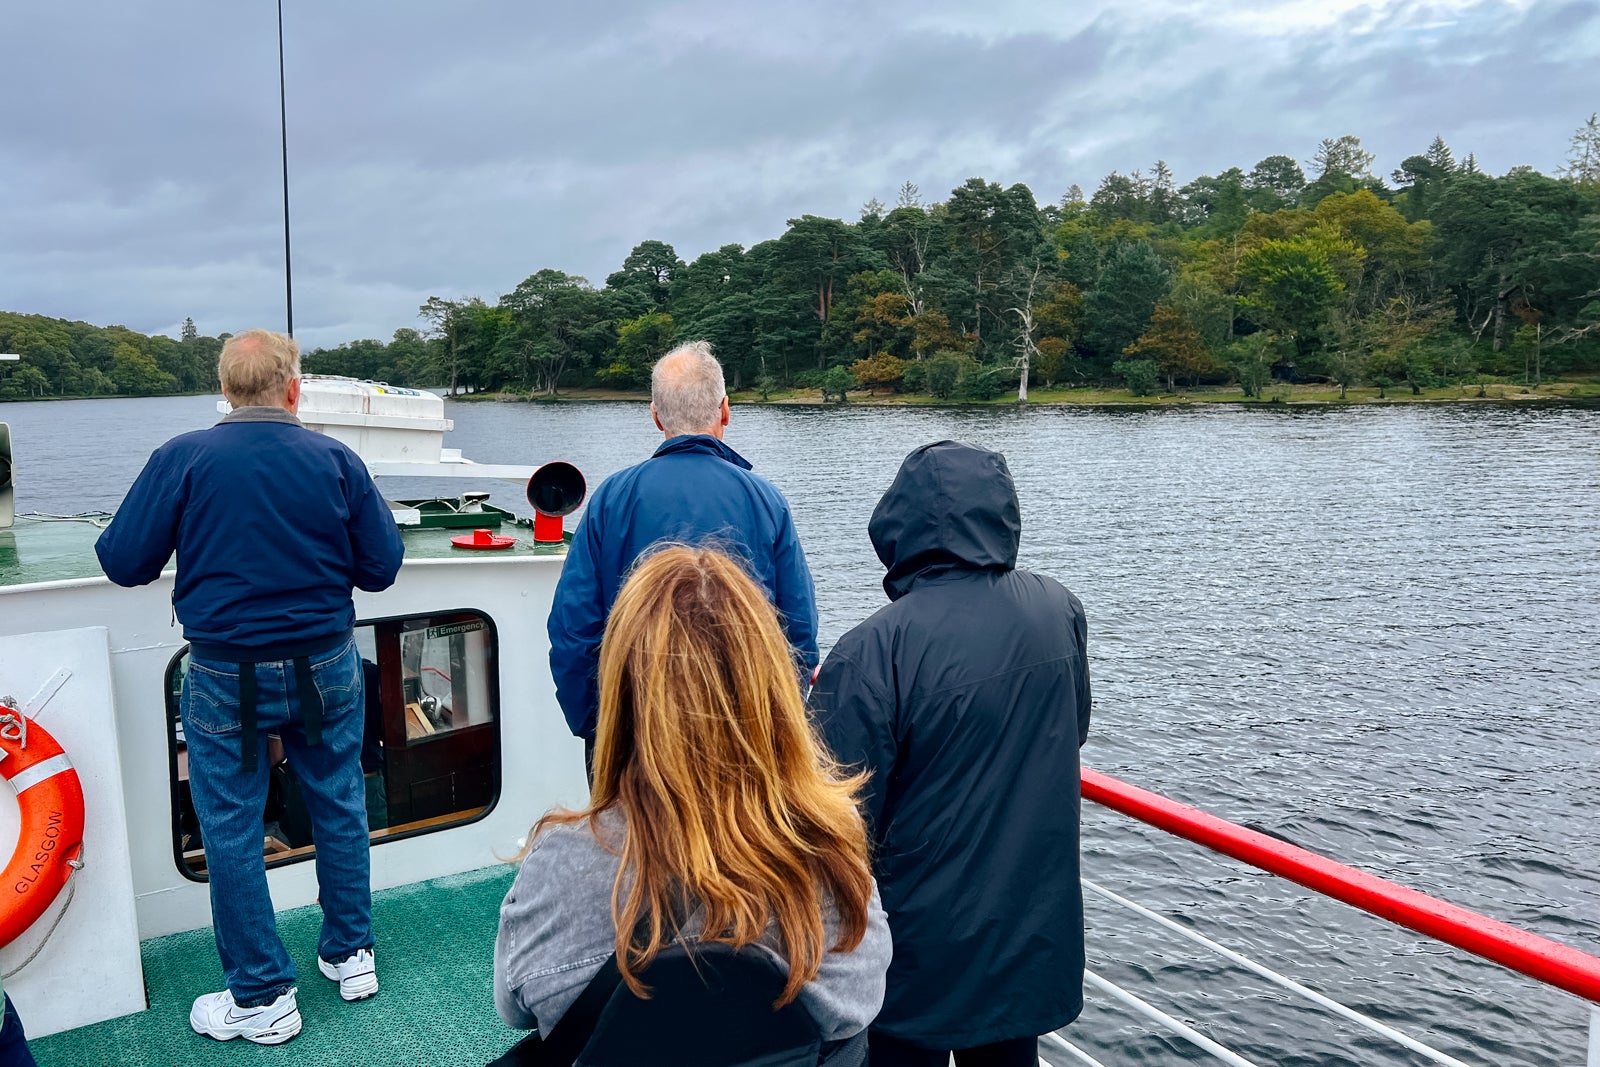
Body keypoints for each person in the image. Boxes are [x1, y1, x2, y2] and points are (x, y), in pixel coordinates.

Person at [95, 329, 404, 1045]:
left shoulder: (183, 457)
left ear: (227, 391)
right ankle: (350, 953)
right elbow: (382, 567)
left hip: (224, 671)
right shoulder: (336, 459)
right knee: (337, 795)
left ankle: (263, 995)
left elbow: (123, 560)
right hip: (326, 663)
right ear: (294, 389)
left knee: (231, 822)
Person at [498, 546, 889, 1064]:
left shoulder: (561, 863)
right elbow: (860, 1004)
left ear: (622, 692)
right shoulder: (831, 848)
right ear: (771, 689)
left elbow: (516, 1005)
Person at [809, 441, 1092, 1067]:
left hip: (915, 950)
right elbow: (1070, 730)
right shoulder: (1058, 609)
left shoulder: (872, 651)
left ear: (898, 524)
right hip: (1026, 931)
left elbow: (834, 816)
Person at [547, 341, 818, 751]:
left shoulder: (612, 499)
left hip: (634, 738)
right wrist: (777, 726)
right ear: (725, 410)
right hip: (744, 738)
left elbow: (574, 630)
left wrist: (600, 729)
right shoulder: (766, 500)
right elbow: (797, 632)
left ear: (656, 417)